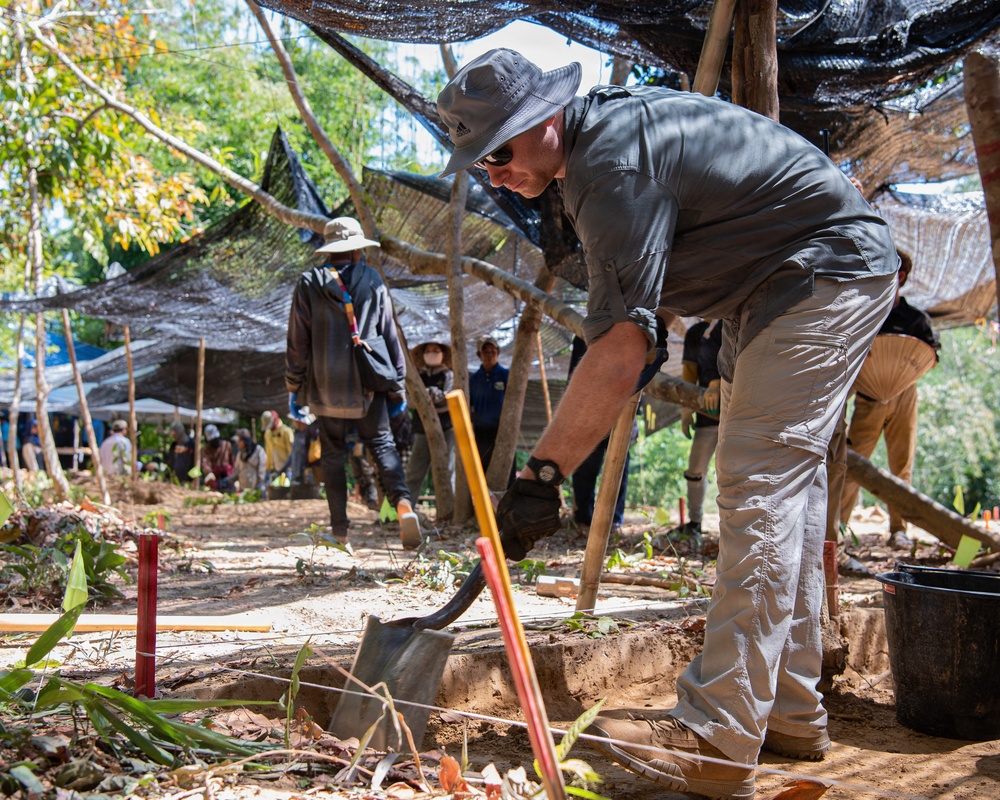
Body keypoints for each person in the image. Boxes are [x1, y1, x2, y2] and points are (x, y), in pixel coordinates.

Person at [438, 49, 899, 798]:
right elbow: (635, 330)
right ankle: (785, 710)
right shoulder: (599, 153)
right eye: (478, 163)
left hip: (822, 270)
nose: (492, 173)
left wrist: (541, 475)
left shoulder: (611, 165)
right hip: (775, 284)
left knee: (757, 481)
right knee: (792, 493)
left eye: (500, 152)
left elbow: (621, 350)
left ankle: (717, 736)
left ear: (547, 120)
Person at [285, 216, 421, 549]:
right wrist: (398, 384)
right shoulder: (373, 280)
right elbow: (389, 335)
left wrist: (294, 385)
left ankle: (340, 532)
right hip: (368, 384)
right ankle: (403, 504)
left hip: (324, 386)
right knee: (383, 445)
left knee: (332, 456)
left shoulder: (307, 283)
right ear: (358, 250)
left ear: (330, 251)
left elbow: (297, 341)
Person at [838, 251, 940, 551]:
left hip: (905, 395)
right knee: (853, 463)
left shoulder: (916, 319)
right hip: (868, 397)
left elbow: (931, 356)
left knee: (902, 466)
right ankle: (839, 526)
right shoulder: (864, 317)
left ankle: (899, 530)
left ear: (901, 277)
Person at [567, 336, 633, 534]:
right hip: (589, 413)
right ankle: (584, 518)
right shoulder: (582, 334)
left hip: (623, 409)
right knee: (585, 465)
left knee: (619, 466)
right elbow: (575, 376)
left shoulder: (633, 329)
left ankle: (614, 520)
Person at [669, 319, 724, 546]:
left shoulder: (732, 324)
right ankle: (694, 523)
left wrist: (719, 382)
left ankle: (731, 529)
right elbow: (689, 371)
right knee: (695, 471)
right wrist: (686, 407)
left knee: (731, 472)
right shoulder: (696, 332)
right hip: (707, 414)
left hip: (738, 414)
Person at [405, 340, 455, 505]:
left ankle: (449, 509)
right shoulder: (417, 376)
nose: (432, 353)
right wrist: (429, 397)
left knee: (447, 470)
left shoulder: (449, 375)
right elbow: (411, 401)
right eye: (428, 350)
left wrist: (429, 397)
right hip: (422, 429)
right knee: (414, 471)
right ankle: (405, 508)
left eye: (435, 350)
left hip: (446, 428)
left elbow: (448, 398)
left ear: (443, 354)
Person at [469, 334, 515, 484]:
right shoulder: (473, 379)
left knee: (507, 472)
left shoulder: (507, 376)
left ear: (498, 352)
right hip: (481, 432)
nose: (489, 355)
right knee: (482, 470)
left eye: (492, 351)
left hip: (503, 432)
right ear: (479, 355)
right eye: (485, 352)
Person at [201, 423, 235, 492]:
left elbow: (232, 461)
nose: (214, 441)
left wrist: (235, 474)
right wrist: (209, 472)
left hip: (228, 476)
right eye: (212, 440)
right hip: (215, 478)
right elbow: (206, 462)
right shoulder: (207, 449)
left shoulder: (227, 445)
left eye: (215, 439)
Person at [261, 410, 294, 477]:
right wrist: (267, 467)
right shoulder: (267, 433)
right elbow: (268, 451)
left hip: (286, 470)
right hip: (273, 470)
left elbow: (291, 452)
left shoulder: (286, 432)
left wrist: (289, 468)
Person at [233, 427, 267, 492]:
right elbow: (237, 470)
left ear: (244, 441)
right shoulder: (240, 454)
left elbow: (262, 471)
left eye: (239, 441)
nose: (237, 443)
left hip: (256, 489)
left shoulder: (258, 451)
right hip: (243, 490)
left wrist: (259, 485)